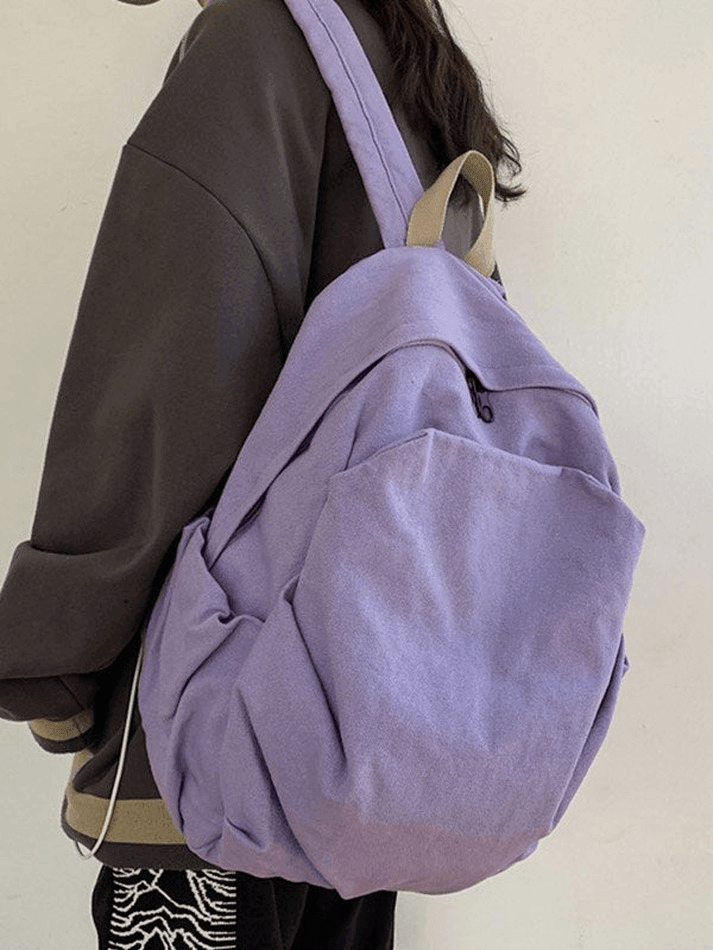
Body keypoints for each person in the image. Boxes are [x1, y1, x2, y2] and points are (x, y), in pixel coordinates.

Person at [0, 0, 524, 945]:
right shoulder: (389, 59)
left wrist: (57, 661)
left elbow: (161, 393)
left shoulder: (253, 47)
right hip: (364, 754)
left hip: (209, 761)